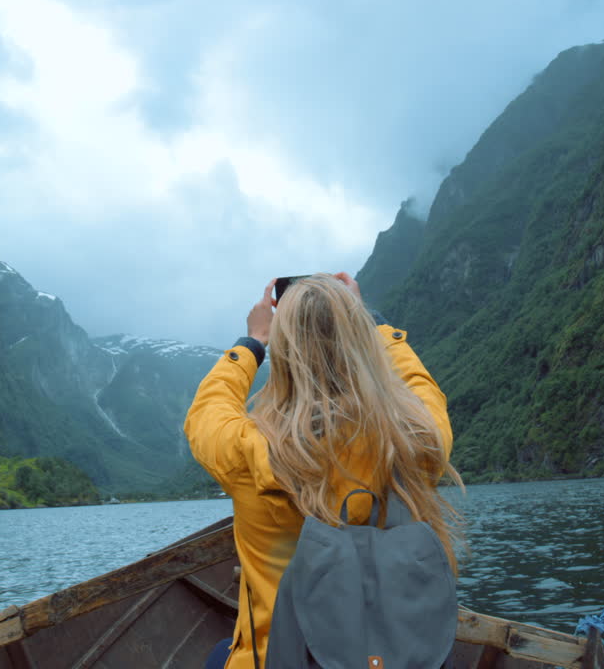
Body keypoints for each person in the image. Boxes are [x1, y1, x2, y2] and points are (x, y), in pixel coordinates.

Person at [184, 272, 463, 669]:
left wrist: (252, 342)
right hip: (397, 659)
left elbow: (207, 412)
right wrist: (375, 323)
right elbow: (421, 386)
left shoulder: (249, 452)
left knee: (220, 657)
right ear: (362, 345)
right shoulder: (418, 440)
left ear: (285, 356)